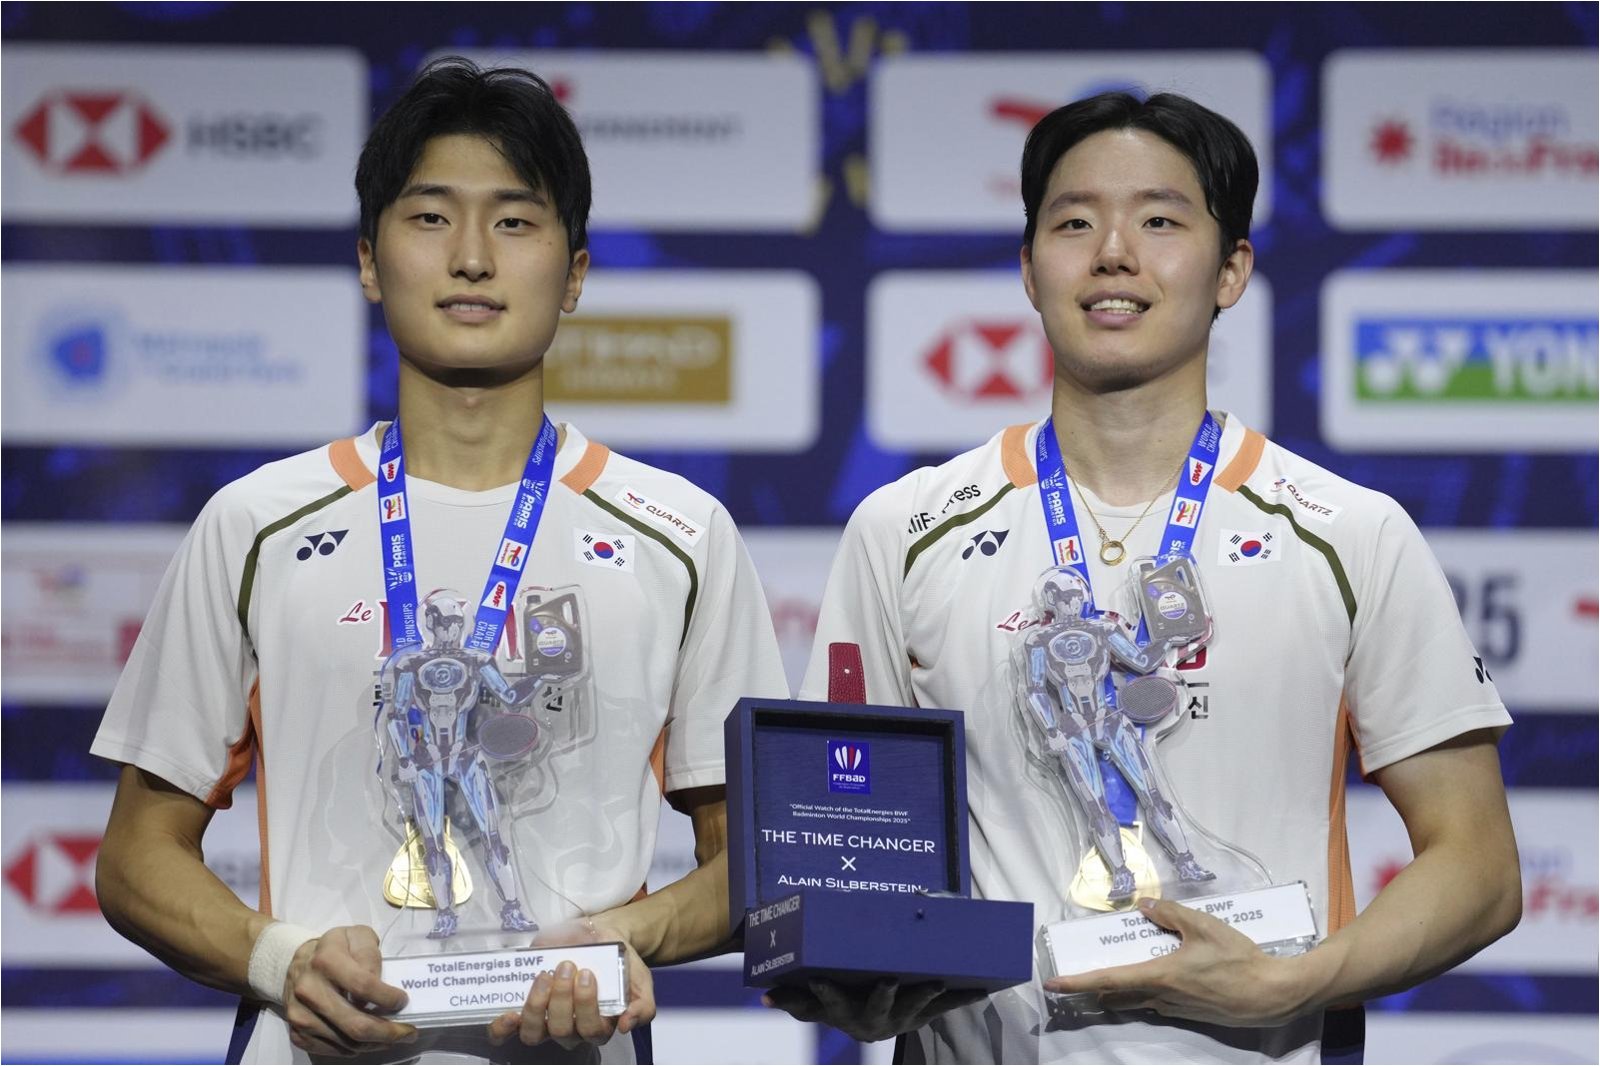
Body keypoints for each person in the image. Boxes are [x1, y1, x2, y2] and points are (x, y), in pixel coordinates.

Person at [770, 92, 1521, 1062]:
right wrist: (858, 977)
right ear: (1029, 269)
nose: (1113, 253)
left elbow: (1480, 866)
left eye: (1160, 221)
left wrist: (1289, 983)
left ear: (1231, 269)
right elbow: (847, 845)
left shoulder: (1350, 534)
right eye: (1074, 223)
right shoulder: (905, 532)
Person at [92, 58, 787, 1064]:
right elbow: (134, 856)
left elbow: (753, 861)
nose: (470, 257)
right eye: (429, 217)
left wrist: (624, 937)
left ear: (574, 274)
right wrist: (280, 958)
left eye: (514, 221)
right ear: (370, 261)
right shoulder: (254, 525)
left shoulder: (679, 534)